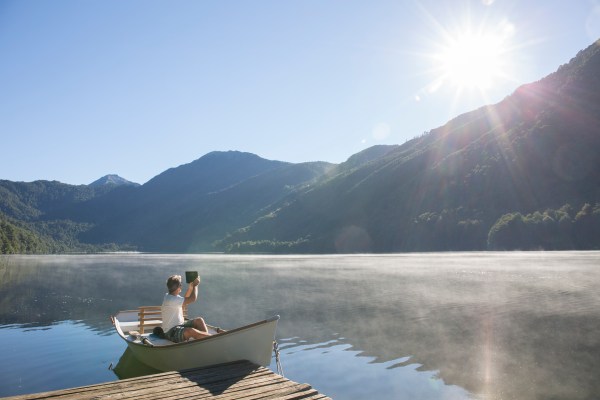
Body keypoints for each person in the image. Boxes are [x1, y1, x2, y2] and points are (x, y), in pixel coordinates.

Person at [161, 274, 211, 343]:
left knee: (199, 320)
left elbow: (184, 300)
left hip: (180, 324)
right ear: (178, 287)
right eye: (180, 284)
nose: (181, 285)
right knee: (191, 331)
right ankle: (210, 339)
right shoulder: (171, 300)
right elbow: (193, 298)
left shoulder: (170, 296)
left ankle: (205, 341)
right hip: (171, 332)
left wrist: (190, 288)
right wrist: (195, 286)